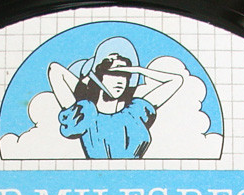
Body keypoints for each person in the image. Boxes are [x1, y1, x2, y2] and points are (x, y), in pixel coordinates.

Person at [48, 37, 183, 159]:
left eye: (125, 75)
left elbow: (176, 80)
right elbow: (55, 70)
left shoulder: (135, 110)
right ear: (99, 77)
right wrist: (88, 78)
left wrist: (137, 70)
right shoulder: (86, 113)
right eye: (114, 74)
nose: (120, 81)